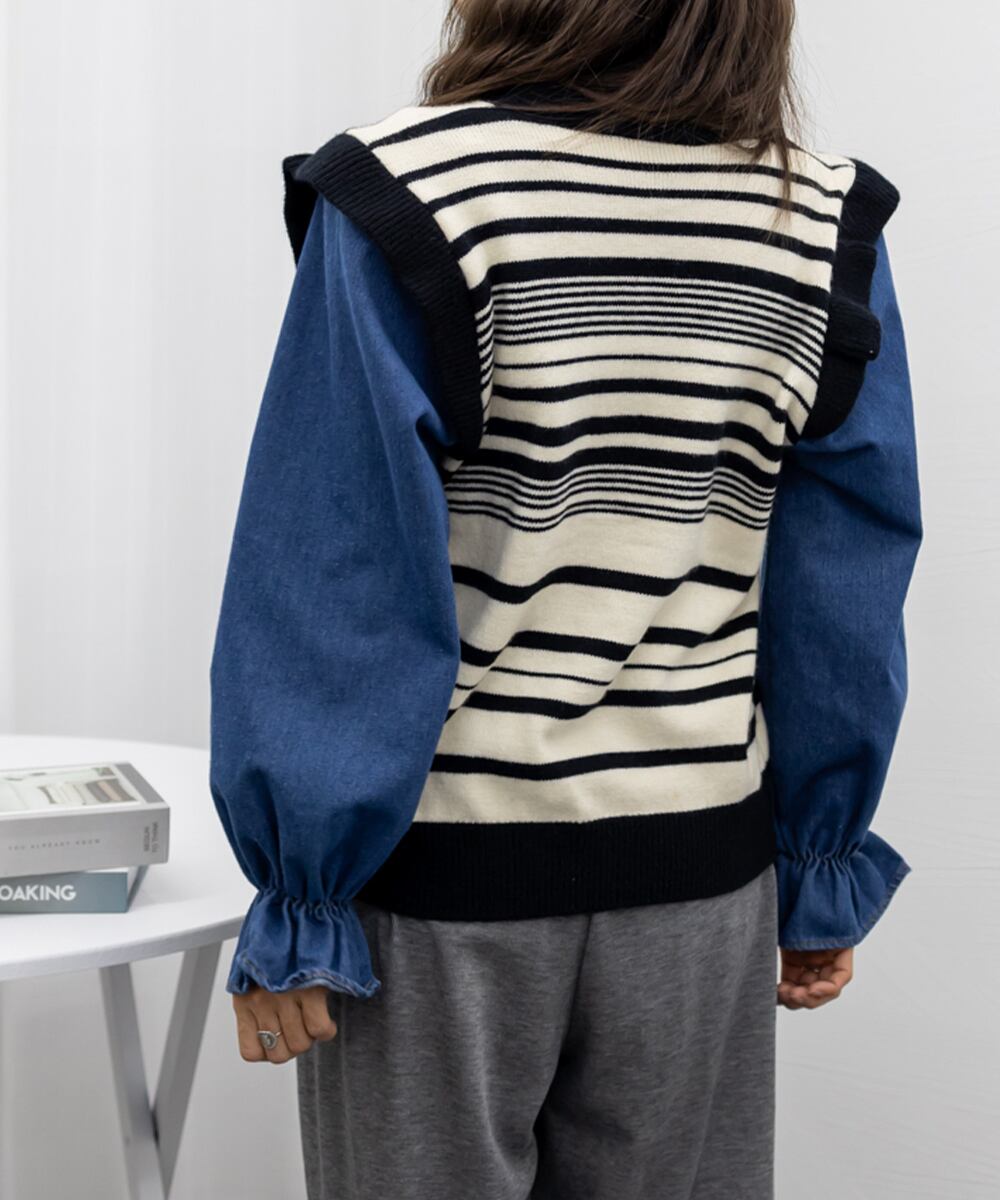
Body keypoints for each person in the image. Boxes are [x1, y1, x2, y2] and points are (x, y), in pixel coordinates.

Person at [208, 1, 923, 1196]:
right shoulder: (819, 216)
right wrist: (818, 857)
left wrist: (303, 888)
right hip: (700, 879)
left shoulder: (410, 189)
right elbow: (841, 583)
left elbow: (335, 567)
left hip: (441, 890)